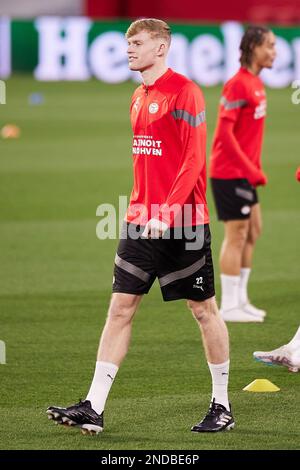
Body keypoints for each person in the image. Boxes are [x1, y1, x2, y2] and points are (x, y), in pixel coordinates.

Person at [46, 18, 234, 435]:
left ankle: (221, 404)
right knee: (120, 308)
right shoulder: (136, 95)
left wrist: (167, 213)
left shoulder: (186, 91)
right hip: (138, 221)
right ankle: (93, 406)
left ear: (161, 48)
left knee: (203, 310)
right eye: (127, 42)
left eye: (137, 43)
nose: (128, 49)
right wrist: (145, 212)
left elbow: (192, 161)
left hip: (183, 221)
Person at [209, 26, 276, 322]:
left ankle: (242, 299)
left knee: (253, 231)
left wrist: (254, 167)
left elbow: (250, 135)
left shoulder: (256, 83)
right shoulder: (237, 85)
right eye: (269, 46)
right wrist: (250, 169)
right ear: (253, 47)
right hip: (229, 172)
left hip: (245, 172)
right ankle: (229, 305)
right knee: (236, 235)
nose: (274, 51)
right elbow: (223, 134)